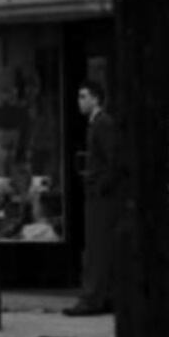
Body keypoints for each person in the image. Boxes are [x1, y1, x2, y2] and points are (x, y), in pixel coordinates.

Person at [67, 62, 120, 315]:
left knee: (97, 247)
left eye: (83, 96)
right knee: (97, 247)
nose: (79, 101)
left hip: (101, 197)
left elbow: (113, 160)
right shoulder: (96, 124)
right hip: (98, 193)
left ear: (96, 99)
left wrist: (99, 187)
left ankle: (93, 298)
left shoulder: (102, 124)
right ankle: (103, 296)